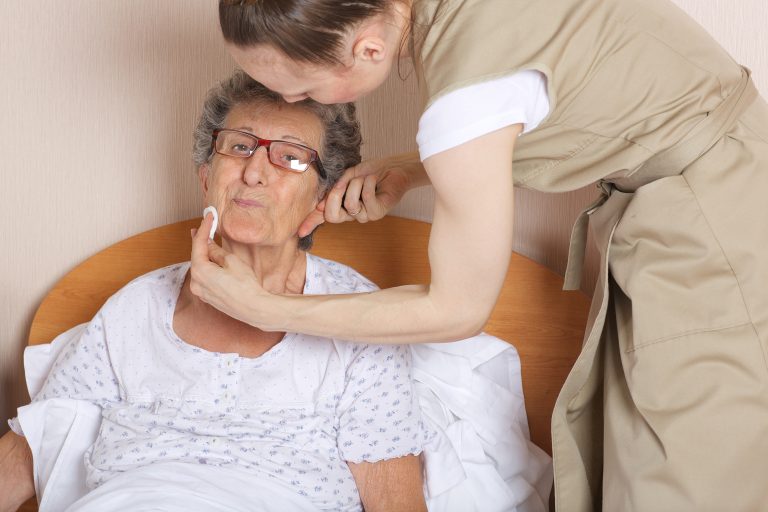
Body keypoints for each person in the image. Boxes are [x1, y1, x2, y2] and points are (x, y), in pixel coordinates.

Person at [186, 1, 768, 510]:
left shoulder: (464, 98)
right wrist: (420, 169)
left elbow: (458, 313)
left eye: (304, 91)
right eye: (240, 145)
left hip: (717, 220)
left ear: (366, 49)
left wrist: (267, 309)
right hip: (722, 183)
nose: (285, 103)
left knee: (692, 478)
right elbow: (575, 84)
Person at [0, 70, 429, 512]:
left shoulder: (363, 319)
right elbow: (18, 460)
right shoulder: (136, 309)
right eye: (240, 146)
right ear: (207, 177)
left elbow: (397, 504)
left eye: (290, 157)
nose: (254, 171)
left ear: (322, 196)